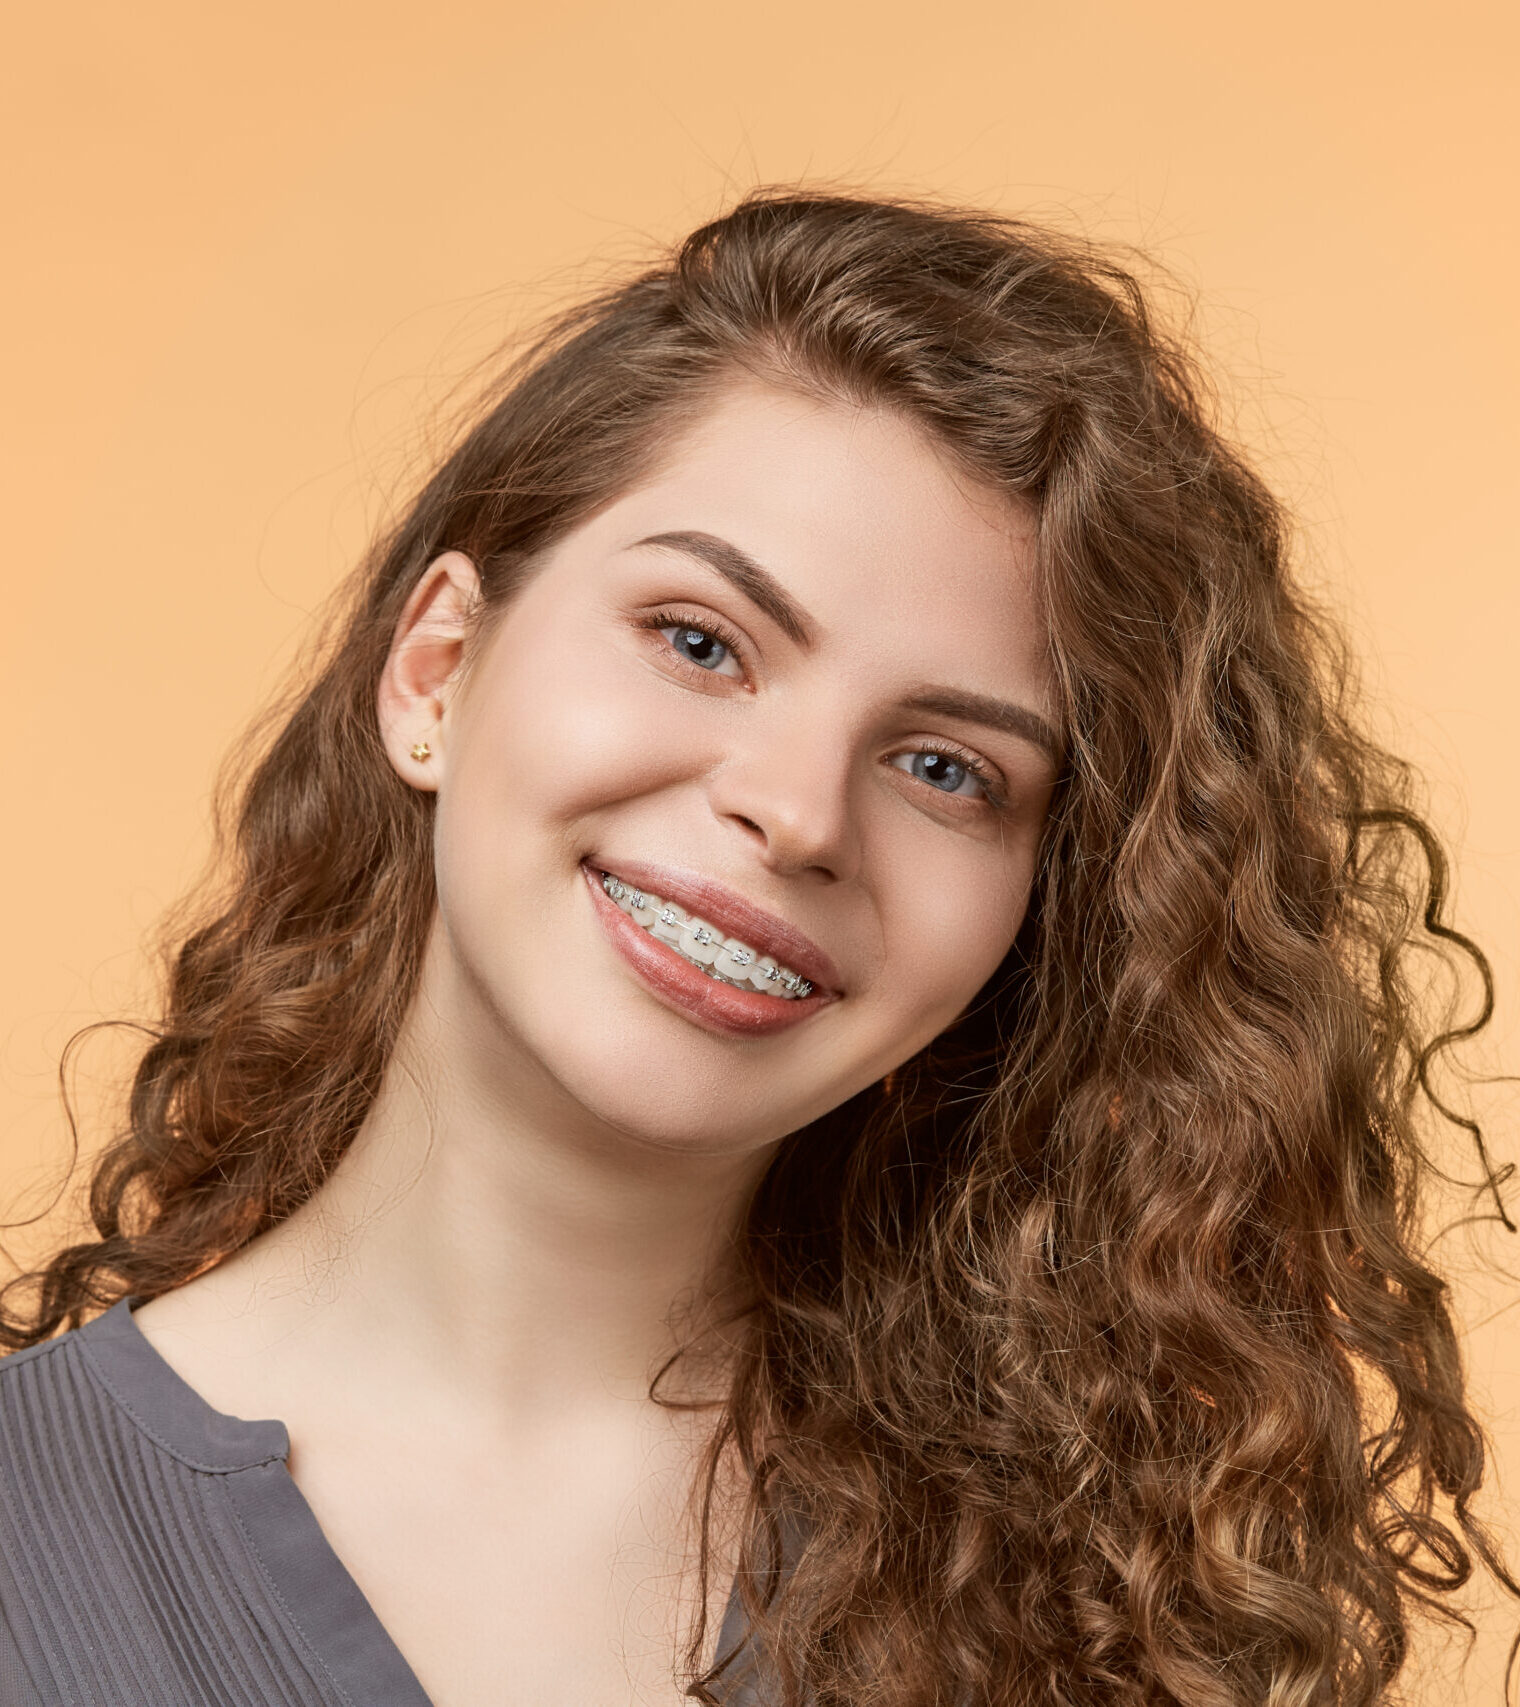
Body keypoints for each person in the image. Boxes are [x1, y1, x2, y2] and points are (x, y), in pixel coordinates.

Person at [0, 189, 1511, 1707]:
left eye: (946, 769)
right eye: (701, 641)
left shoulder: (1105, 1617)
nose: (796, 815)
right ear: (436, 672)